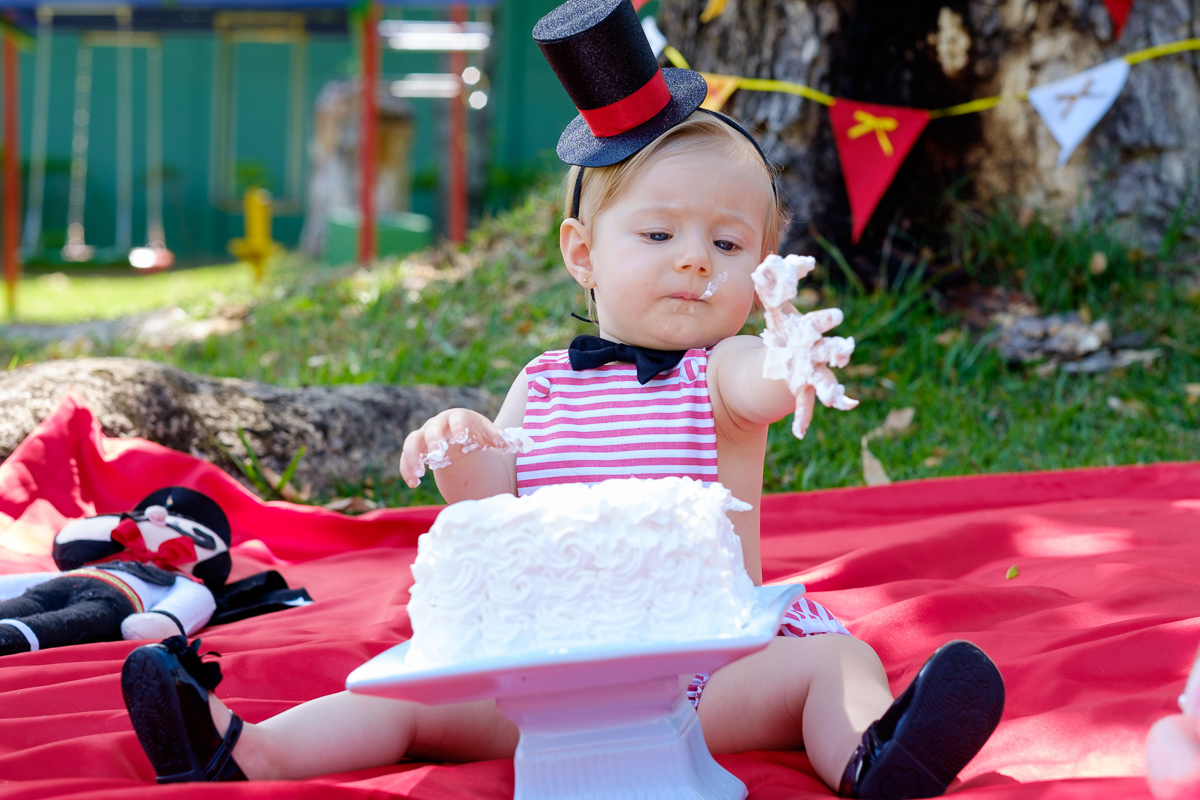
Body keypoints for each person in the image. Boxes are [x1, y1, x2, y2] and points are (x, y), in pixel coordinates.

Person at [121, 2, 1004, 797]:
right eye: (659, 233)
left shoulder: (720, 371)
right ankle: (242, 750)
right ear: (582, 253)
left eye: (729, 244)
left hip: (696, 673)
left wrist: (793, 355)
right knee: (396, 694)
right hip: (542, 671)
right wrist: (464, 445)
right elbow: (493, 500)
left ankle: (871, 757)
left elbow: (761, 386)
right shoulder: (545, 382)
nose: (695, 258)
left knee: (829, 660)